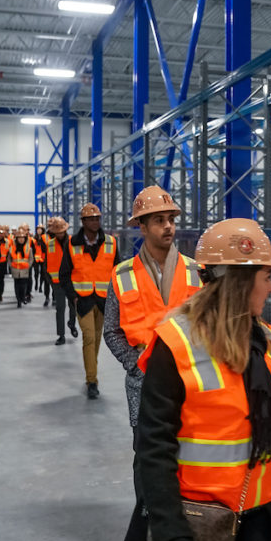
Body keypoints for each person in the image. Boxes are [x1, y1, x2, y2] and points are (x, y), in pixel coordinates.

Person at [119, 218, 271, 541]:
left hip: (262, 509)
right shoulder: (176, 344)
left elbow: (268, 428)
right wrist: (167, 523)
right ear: (240, 280)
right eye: (266, 277)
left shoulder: (262, 339)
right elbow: (154, 442)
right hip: (196, 517)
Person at [104, 186, 202, 441]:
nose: (168, 226)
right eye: (159, 220)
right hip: (144, 384)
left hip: (190, 380)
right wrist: (135, 365)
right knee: (148, 459)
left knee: (189, 458)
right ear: (143, 227)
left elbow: (208, 325)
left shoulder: (196, 271)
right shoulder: (122, 275)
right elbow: (111, 330)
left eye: (171, 219)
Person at [61, 203, 117, 399]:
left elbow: (117, 272)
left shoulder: (110, 242)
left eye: (97, 218)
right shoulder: (72, 243)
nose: (95, 222)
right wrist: (73, 297)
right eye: (91, 219)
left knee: (96, 341)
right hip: (83, 301)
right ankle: (92, 381)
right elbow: (64, 274)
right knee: (89, 337)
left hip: (103, 301)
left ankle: (91, 370)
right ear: (83, 222)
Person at [44, 217, 78, 344]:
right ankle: (61, 335)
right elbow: (46, 264)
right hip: (57, 283)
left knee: (73, 306)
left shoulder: (73, 242)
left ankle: (72, 324)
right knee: (60, 309)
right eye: (56, 232)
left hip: (72, 281)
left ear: (65, 230)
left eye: (61, 232)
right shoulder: (50, 244)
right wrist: (50, 281)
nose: (59, 234)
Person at [9, 224, 35, 307]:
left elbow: (31, 259)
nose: (21, 240)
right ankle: (18, 300)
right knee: (17, 286)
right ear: (16, 239)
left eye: (22, 238)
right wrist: (11, 266)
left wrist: (28, 265)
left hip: (24, 270)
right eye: (19, 238)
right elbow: (9, 259)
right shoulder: (12, 248)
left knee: (23, 286)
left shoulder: (28, 248)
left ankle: (23, 297)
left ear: (25, 239)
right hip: (15, 270)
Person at [0, 224, 9, 303]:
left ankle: (0, 294)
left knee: (1, 280)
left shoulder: (7, 242)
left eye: (1, 233)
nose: (0, 235)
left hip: (3, 263)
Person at [33, 223, 46, 296]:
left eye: (40, 229)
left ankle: (41, 286)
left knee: (43, 273)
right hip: (36, 258)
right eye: (38, 229)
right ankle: (36, 284)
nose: (39, 231)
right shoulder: (34, 238)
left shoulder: (44, 238)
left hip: (43, 258)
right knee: (36, 272)